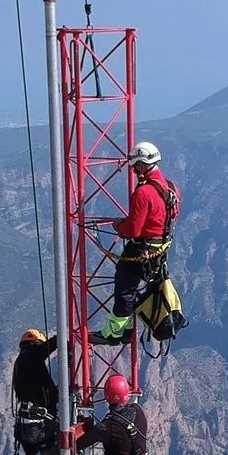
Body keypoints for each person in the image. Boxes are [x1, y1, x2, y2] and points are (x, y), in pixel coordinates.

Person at [94, 141, 180, 344]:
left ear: (141, 165)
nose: (133, 171)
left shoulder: (143, 193)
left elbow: (133, 229)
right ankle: (126, 328)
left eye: (134, 167)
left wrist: (118, 226)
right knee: (135, 289)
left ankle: (117, 332)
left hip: (141, 248)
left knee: (124, 288)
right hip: (159, 249)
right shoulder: (171, 187)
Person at [10, 329, 62, 455]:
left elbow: (44, 392)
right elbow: (46, 348)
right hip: (40, 425)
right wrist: (63, 337)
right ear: (36, 344)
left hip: (32, 425)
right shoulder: (29, 358)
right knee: (57, 451)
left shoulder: (23, 363)